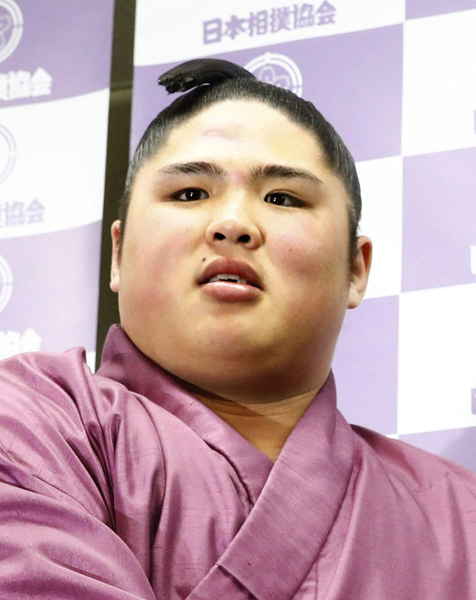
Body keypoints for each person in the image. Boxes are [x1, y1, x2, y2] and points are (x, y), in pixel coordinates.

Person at [0, 58, 475, 600]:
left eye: (282, 198)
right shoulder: (32, 425)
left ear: (356, 268)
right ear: (117, 253)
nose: (233, 224)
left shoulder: (460, 517)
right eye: (190, 193)